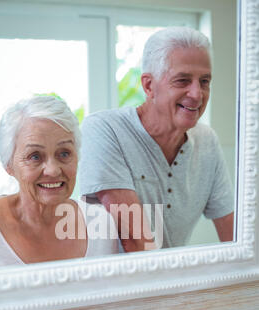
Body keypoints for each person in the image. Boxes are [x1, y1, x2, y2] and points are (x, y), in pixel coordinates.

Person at [79, 26, 234, 252]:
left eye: (204, 81)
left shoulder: (207, 140)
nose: (197, 94)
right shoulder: (104, 129)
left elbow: (236, 237)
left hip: (167, 280)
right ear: (149, 85)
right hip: (114, 284)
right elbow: (135, 241)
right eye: (182, 80)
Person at [0, 95, 119, 273]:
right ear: (9, 165)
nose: (52, 170)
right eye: (34, 156)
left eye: (64, 153)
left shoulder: (102, 225)